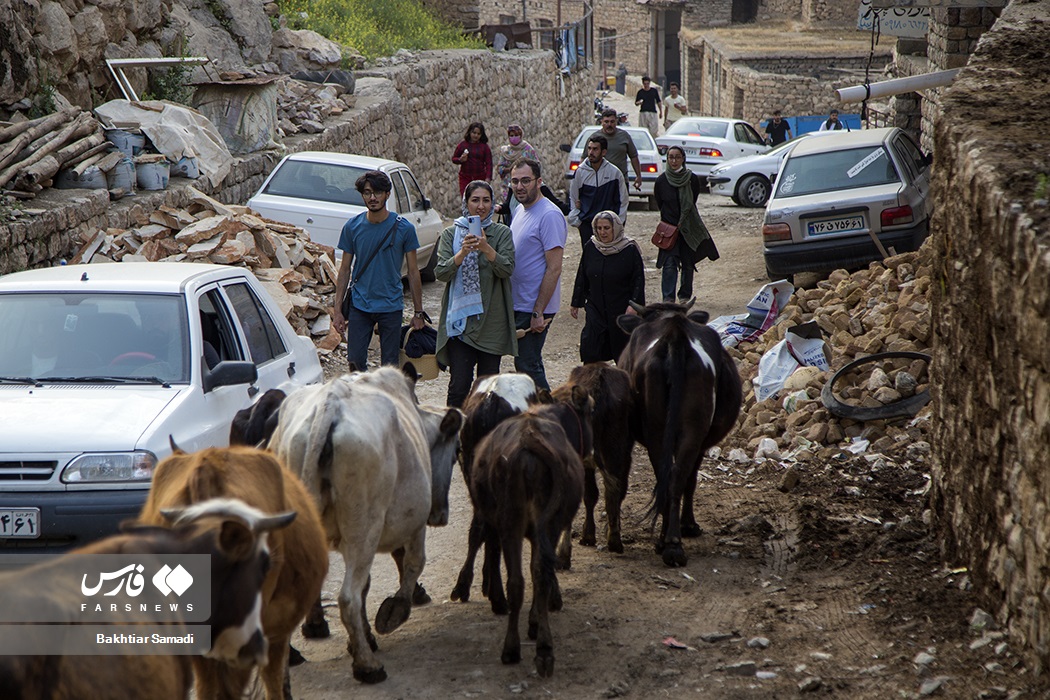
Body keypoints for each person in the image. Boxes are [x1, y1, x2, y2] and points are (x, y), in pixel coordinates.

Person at [434, 181, 517, 408]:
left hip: (492, 321)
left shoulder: (502, 233)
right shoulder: (451, 234)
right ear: (466, 203)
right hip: (461, 323)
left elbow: (507, 269)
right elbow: (441, 273)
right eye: (475, 200)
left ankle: (484, 429)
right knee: (459, 386)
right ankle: (456, 428)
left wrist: (486, 249)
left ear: (492, 204)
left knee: (488, 389)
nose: (481, 206)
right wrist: (462, 252)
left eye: (486, 200)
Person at [333, 170, 426, 371]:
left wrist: (418, 312)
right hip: (359, 305)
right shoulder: (352, 227)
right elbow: (344, 270)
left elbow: (413, 272)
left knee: (389, 368)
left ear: (387, 194)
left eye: (377, 192)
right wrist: (337, 310)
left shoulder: (405, 229)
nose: (372, 198)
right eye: (367, 193)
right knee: (355, 364)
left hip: (391, 306)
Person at [508, 158, 566, 391]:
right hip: (520, 302)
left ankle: (549, 408)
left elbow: (555, 267)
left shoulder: (549, 215)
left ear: (539, 182)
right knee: (524, 363)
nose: (519, 186)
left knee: (528, 365)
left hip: (534, 306)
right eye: (515, 181)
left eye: (525, 181)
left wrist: (538, 311)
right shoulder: (519, 209)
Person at [569, 211, 645, 364]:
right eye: (599, 228)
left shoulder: (629, 249)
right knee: (591, 346)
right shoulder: (591, 246)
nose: (602, 232)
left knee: (622, 351)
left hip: (620, 306)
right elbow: (582, 274)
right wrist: (576, 302)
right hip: (595, 306)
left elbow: (638, 279)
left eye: (606, 228)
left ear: (615, 228)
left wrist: (634, 305)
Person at [653, 146, 719, 303]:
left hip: (688, 226)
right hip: (669, 229)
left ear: (683, 159)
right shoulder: (661, 181)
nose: (674, 161)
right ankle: (668, 299)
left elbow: (692, 201)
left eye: (677, 157)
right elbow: (660, 203)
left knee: (688, 263)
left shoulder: (691, 179)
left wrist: (682, 219)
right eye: (671, 157)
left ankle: (684, 296)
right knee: (669, 263)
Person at [568, 134, 628, 249]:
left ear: (603, 152)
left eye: (595, 149)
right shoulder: (580, 172)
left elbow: (623, 200)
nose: (591, 152)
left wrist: (618, 223)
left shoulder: (614, 173)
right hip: (587, 225)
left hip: (608, 226)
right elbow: (573, 197)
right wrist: (577, 221)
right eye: (589, 148)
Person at [494, 123, 537, 218]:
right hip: (508, 187)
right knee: (509, 209)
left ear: (521, 135)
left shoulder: (528, 150)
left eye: (516, 135)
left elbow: (536, 167)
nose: (514, 138)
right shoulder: (505, 151)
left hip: (524, 187)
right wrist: (510, 169)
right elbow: (500, 168)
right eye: (511, 135)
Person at [599, 108, 642, 193]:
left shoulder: (624, 136)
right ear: (602, 122)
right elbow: (585, 158)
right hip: (600, 181)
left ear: (616, 121)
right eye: (606, 122)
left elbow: (634, 156)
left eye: (612, 122)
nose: (609, 124)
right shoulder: (595, 138)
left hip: (621, 181)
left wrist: (638, 176)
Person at [451, 122, 493, 196]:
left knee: (478, 197)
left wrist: (488, 178)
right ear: (470, 132)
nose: (476, 135)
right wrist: (460, 160)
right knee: (466, 196)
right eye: (474, 133)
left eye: (478, 134)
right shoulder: (463, 145)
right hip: (465, 177)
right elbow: (454, 159)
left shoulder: (484, 147)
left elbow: (489, 163)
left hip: (480, 177)